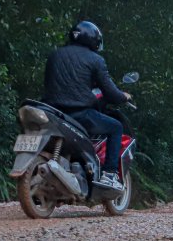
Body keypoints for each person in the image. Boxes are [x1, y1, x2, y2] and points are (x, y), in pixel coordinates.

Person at [42, 21, 131, 190]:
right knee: (116, 127)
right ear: (94, 39)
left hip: (52, 112)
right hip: (79, 114)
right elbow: (110, 92)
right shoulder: (95, 59)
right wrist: (123, 97)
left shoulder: (54, 55)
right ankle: (110, 174)